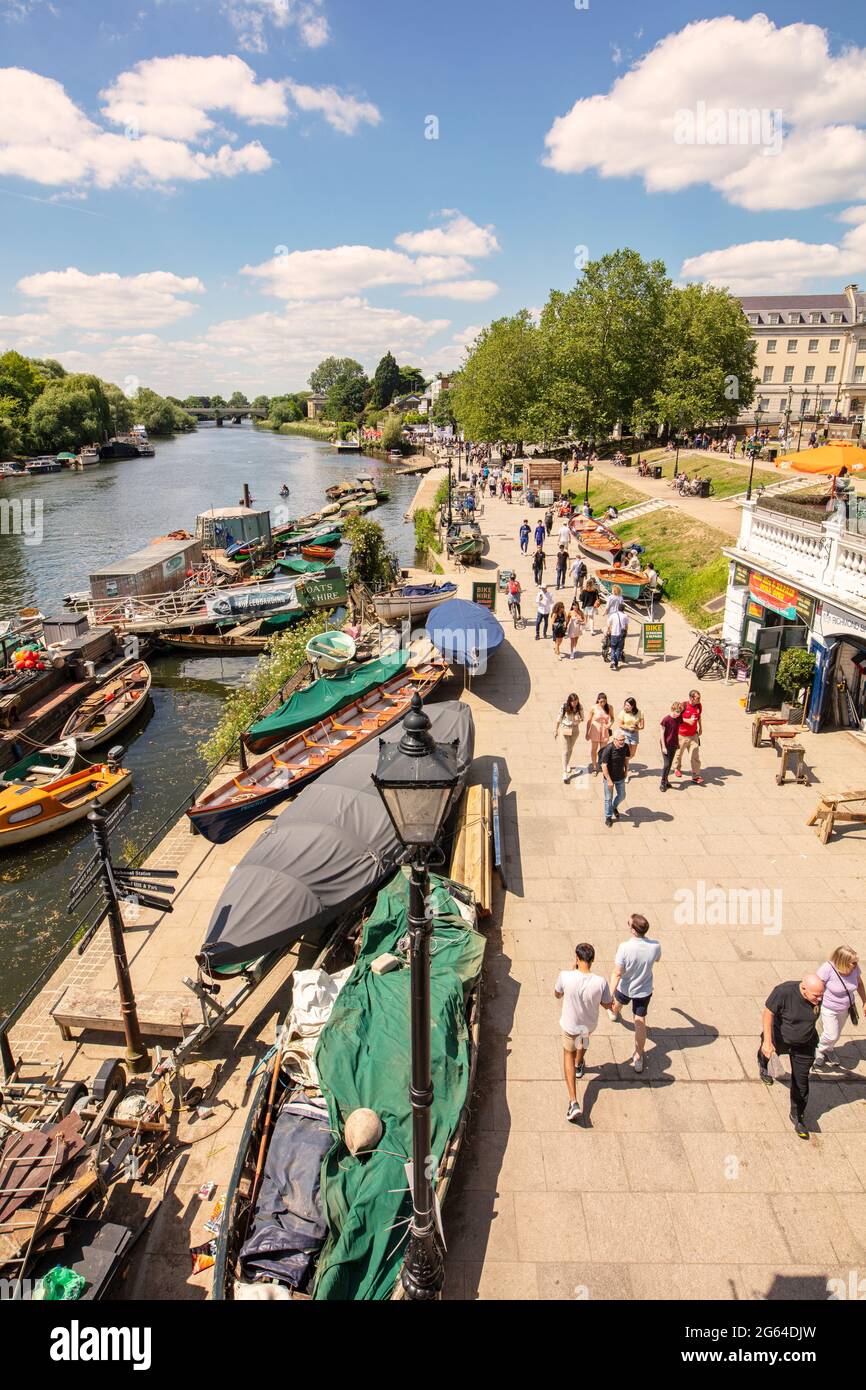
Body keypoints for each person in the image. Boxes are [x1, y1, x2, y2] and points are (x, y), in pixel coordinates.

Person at [758, 974, 825, 1139]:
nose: (820, 998)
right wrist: (767, 1041)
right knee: (767, 1054)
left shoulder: (818, 995)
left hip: (804, 1045)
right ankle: (763, 1066)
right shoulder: (784, 992)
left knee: (801, 1084)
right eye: (816, 995)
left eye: (821, 994)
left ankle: (798, 1115)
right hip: (780, 1039)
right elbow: (768, 1013)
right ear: (803, 989)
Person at [555, 942, 614, 1122]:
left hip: (570, 1025)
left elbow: (557, 994)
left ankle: (573, 1102)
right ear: (593, 960)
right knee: (584, 1043)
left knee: (568, 1055)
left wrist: (571, 970)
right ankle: (580, 1064)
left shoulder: (566, 976)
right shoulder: (600, 982)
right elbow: (606, 1005)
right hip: (588, 1025)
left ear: (577, 958)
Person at [609, 914, 662, 1072]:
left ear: (633, 930)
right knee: (640, 1020)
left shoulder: (624, 947)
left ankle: (614, 1013)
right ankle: (638, 1056)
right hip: (644, 990)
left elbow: (617, 972)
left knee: (617, 1003)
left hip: (626, 987)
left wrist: (608, 993)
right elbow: (657, 960)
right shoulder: (655, 946)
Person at [814, 946, 865, 1067]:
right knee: (831, 1034)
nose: (856, 964)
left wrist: (865, 1001)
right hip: (829, 1007)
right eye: (853, 962)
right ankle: (819, 1048)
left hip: (846, 1008)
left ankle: (829, 1049)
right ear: (843, 961)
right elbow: (816, 986)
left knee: (837, 1032)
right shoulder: (827, 969)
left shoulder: (855, 969)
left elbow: (860, 984)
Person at [599, 727, 630, 827]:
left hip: (620, 777)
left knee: (622, 795)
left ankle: (613, 807)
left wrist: (626, 771)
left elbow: (626, 759)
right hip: (609, 778)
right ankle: (608, 817)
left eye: (624, 739)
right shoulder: (608, 749)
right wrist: (608, 780)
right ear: (615, 739)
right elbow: (603, 765)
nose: (623, 742)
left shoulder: (625, 747)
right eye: (621, 740)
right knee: (608, 798)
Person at [673, 688, 703, 784]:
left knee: (695, 756)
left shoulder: (699, 706)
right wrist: (687, 720)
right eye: (697, 698)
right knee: (678, 754)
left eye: (699, 698)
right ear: (691, 698)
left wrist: (700, 726)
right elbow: (676, 715)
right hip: (682, 735)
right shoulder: (683, 705)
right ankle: (677, 769)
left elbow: (699, 716)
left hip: (694, 735)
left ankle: (696, 775)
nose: (699, 700)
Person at [554, 692, 584, 783]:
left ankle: (567, 765)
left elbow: (583, 718)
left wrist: (579, 719)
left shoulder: (579, 707)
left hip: (575, 729)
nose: (575, 703)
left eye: (576, 701)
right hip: (565, 729)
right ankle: (564, 772)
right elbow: (558, 718)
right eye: (573, 702)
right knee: (565, 750)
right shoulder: (564, 707)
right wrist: (556, 729)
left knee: (570, 748)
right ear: (569, 701)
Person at [659, 701, 684, 792]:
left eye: (680, 712)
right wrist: (664, 747)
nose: (678, 714)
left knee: (670, 763)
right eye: (677, 712)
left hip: (674, 744)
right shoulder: (666, 720)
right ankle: (662, 782)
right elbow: (661, 734)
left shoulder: (679, 718)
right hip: (666, 744)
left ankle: (666, 780)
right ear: (672, 709)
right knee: (666, 764)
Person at [585, 693, 612, 773]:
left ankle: (601, 765)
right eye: (601, 702)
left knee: (603, 750)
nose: (603, 704)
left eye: (604, 702)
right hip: (595, 729)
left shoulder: (609, 707)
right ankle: (594, 766)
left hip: (604, 729)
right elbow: (589, 721)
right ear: (598, 700)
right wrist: (587, 733)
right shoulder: (593, 708)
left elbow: (612, 718)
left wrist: (610, 724)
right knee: (594, 749)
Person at [618, 696, 645, 775]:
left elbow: (642, 726)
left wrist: (637, 728)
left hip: (634, 734)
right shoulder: (622, 712)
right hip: (625, 733)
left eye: (628, 705)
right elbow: (620, 725)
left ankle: (624, 762)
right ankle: (625, 773)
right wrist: (628, 727)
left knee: (632, 754)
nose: (626, 707)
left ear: (633, 706)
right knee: (627, 754)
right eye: (625, 705)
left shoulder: (640, 712)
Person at [606, 605, 629, 672]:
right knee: (619, 649)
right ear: (623, 609)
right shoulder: (625, 616)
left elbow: (608, 624)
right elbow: (626, 626)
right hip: (621, 635)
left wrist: (608, 630)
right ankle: (615, 663)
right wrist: (625, 633)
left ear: (618, 609)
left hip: (614, 634)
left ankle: (612, 661)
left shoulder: (613, 615)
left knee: (613, 648)